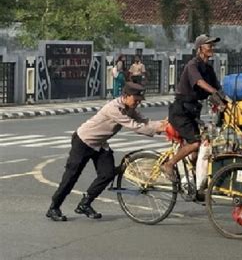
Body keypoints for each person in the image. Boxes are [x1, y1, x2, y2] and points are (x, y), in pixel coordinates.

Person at [46, 82, 167, 222]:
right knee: (71, 176)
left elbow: (144, 121)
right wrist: (159, 129)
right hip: (83, 141)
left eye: (140, 101)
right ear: (126, 96)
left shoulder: (129, 108)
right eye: (136, 100)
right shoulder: (114, 108)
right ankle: (54, 207)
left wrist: (163, 125)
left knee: (107, 174)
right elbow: (134, 126)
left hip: (100, 144)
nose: (138, 103)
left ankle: (85, 203)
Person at [161, 34, 226, 182]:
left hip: (192, 111)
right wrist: (214, 92)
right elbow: (200, 83)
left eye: (212, 45)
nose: (212, 48)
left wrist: (225, 101)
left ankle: (195, 179)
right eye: (209, 45)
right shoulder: (193, 65)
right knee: (194, 143)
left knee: (199, 149)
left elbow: (218, 88)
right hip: (180, 111)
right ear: (200, 49)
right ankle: (169, 165)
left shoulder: (208, 68)